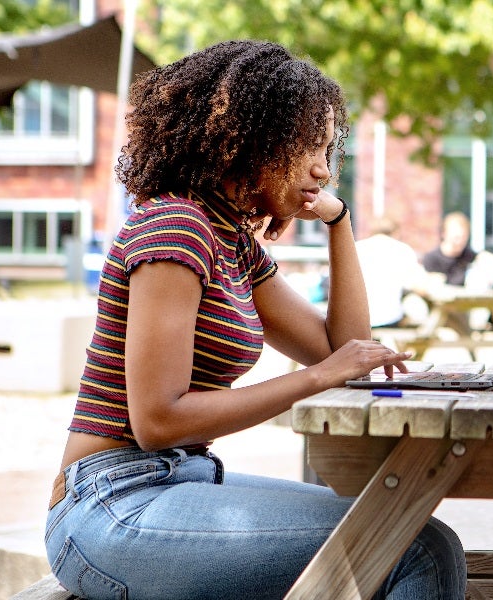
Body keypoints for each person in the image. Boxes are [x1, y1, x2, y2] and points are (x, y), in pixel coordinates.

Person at [44, 40, 466, 600]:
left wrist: (339, 222)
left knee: (402, 525)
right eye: (307, 146)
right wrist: (317, 380)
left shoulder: (229, 239)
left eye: (327, 148)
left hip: (180, 483)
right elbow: (157, 421)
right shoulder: (177, 228)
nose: (323, 167)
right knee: (416, 550)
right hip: (110, 506)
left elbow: (342, 348)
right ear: (252, 142)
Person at [355, 215, 428, 328]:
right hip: (390, 319)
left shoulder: (356, 247)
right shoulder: (403, 250)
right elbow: (419, 287)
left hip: (357, 319)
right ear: (396, 232)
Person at [421, 211, 477, 286]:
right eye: (456, 237)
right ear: (444, 234)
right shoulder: (431, 259)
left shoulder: (469, 255)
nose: (459, 242)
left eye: (463, 237)